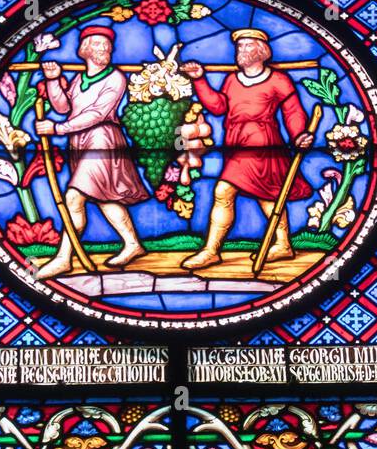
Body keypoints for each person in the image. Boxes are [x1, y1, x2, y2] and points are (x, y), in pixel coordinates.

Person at [180, 29, 313, 270]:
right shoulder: (232, 79)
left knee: (224, 191)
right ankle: (283, 244)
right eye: (239, 46)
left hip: (262, 144)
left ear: (262, 51)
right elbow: (219, 107)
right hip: (236, 143)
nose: (241, 51)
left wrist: (299, 135)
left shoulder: (278, 80)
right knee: (269, 195)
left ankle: (211, 250)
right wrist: (199, 79)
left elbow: (292, 111)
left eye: (247, 46)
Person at [31, 25, 150, 278]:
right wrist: (53, 81)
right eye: (97, 44)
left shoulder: (115, 77)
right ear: (84, 49)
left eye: (106, 45)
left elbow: (97, 114)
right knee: (105, 197)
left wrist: (58, 129)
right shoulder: (79, 79)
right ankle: (132, 243)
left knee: (75, 197)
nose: (103, 48)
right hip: (80, 141)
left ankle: (64, 257)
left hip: (103, 141)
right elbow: (64, 107)